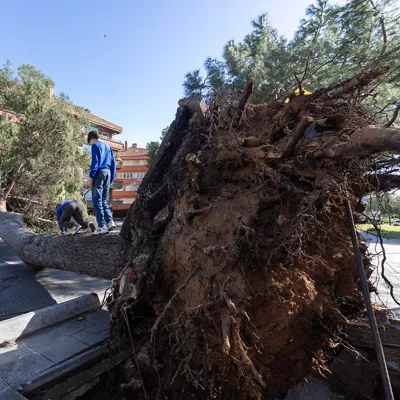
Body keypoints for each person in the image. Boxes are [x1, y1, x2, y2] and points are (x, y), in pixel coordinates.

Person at [87, 130, 117, 235]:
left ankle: (101, 226)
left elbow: (95, 162)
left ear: (92, 138)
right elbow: (113, 163)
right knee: (104, 200)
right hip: (108, 174)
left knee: (97, 201)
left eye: (89, 142)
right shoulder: (108, 146)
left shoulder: (95, 146)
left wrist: (91, 177)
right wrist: (112, 178)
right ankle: (110, 222)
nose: (90, 144)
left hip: (99, 174)